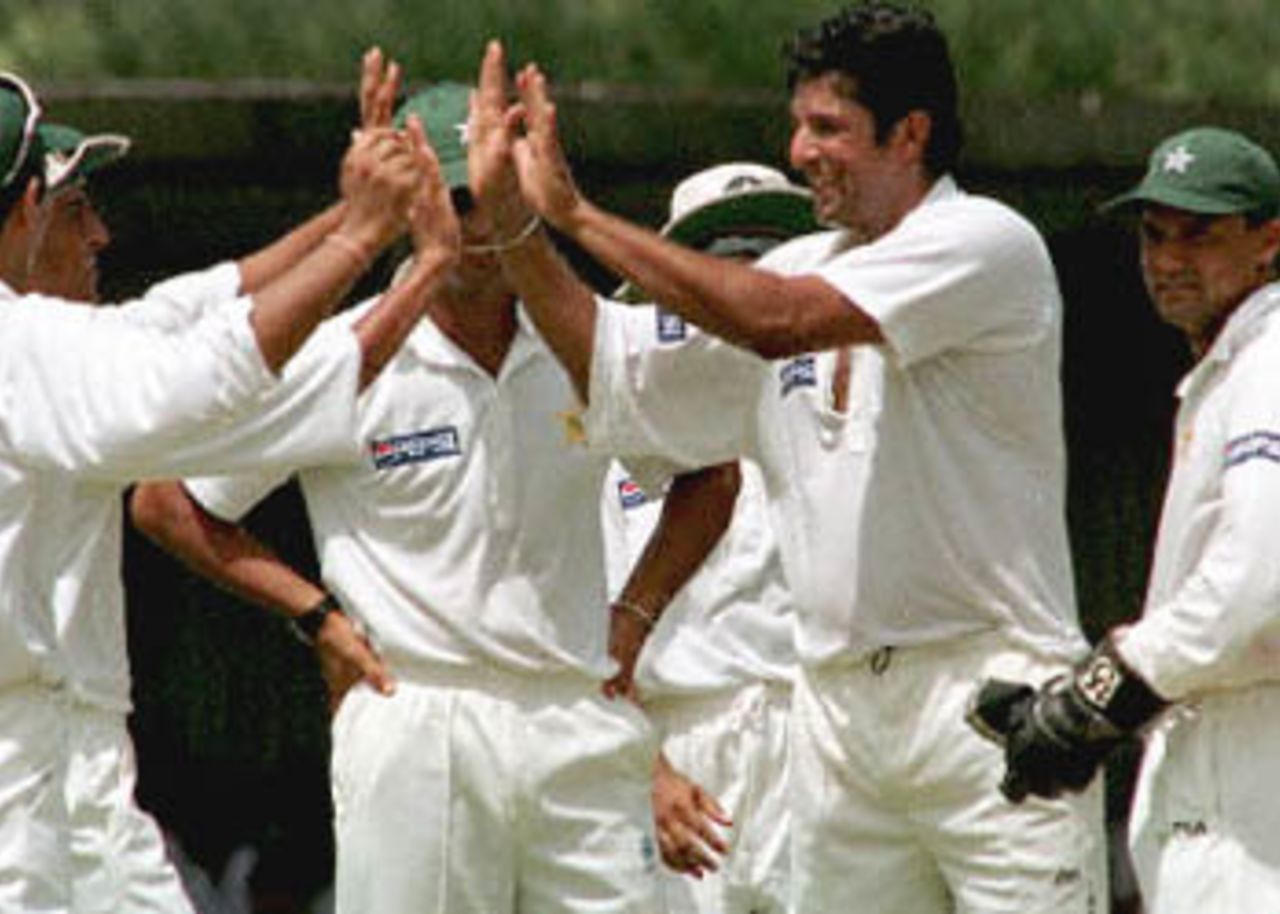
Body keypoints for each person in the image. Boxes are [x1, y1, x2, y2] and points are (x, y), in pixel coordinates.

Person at [465, 2, 1108, 909]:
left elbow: (780, 322)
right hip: (840, 716)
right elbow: (614, 368)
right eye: (797, 125)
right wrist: (519, 228)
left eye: (828, 128)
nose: (801, 150)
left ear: (911, 133)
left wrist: (578, 214)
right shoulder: (805, 260)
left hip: (989, 697)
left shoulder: (987, 243)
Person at [130, 80, 661, 914]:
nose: (466, 225)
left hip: (576, 710)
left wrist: (635, 617)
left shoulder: (579, 338)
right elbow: (167, 500)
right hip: (418, 713)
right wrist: (317, 617)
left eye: (486, 198)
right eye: (447, 200)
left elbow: (707, 466)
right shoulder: (349, 351)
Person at [0, 56, 461, 914]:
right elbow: (195, 385)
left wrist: (357, 211)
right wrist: (376, 242)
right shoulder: (25, 350)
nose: (99, 236)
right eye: (73, 208)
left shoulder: (54, 347)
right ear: (26, 209)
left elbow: (208, 305)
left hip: (70, 761)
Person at [971, 127, 1280, 913]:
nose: (1171, 260)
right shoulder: (1232, 366)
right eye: (1155, 235)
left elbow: (1258, 587)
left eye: (1202, 235)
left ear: (1268, 241)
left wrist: (1103, 691)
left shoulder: (1272, 362)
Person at [600, 162, 814, 914]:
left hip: (814, 734)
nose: (744, 277)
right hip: (675, 752)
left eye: (767, 254)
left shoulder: (848, 417)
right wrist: (645, 770)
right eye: (719, 257)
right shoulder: (622, 440)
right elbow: (587, 636)